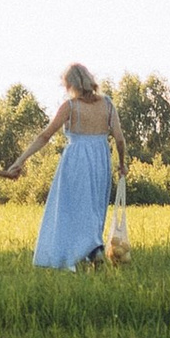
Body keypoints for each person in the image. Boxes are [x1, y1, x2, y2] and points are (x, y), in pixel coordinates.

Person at [11, 65, 127, 269]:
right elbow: (119, 139)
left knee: (72, 208)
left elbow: (45, 136)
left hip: (76, 159)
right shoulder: (107, 104)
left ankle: (90, 250)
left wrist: (21, 159)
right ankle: (93, 250)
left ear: (71, 84)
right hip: (101, 158)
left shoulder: (71, 106)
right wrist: (122, 164)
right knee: (94, 207)